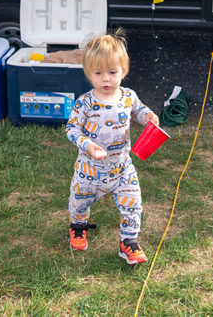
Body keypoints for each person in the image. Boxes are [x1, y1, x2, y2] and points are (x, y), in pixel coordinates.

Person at [64, 29, 160, 265]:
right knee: (80, 199)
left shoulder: (128, 96)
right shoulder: (85, 102)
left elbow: (138, 110)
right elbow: (72, 129)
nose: (105, 78)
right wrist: (87, 146)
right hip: (90, 168)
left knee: (133, 202)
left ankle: (129, 241)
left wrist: (147, 116)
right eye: (98, 73)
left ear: (123, 71)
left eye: (112, 72)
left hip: (121, 167)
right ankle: (78, 225)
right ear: (88, 74)